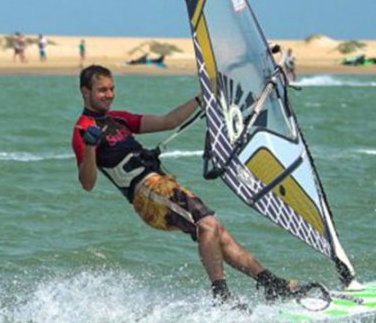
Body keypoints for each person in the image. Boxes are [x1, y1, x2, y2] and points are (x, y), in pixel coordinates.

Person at [71, 65, 301, 304]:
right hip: (147, 195)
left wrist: (202, 98)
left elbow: (169, 121)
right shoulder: (82, 130)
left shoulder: (117, 119)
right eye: (102, 90)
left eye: (111, 89)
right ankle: (222, 298)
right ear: (85, 92)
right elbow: (87, 183)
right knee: (208, 225)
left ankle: (271, 284)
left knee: (217, 233)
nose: (109, 95)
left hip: (162, 187)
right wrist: (89, 147)